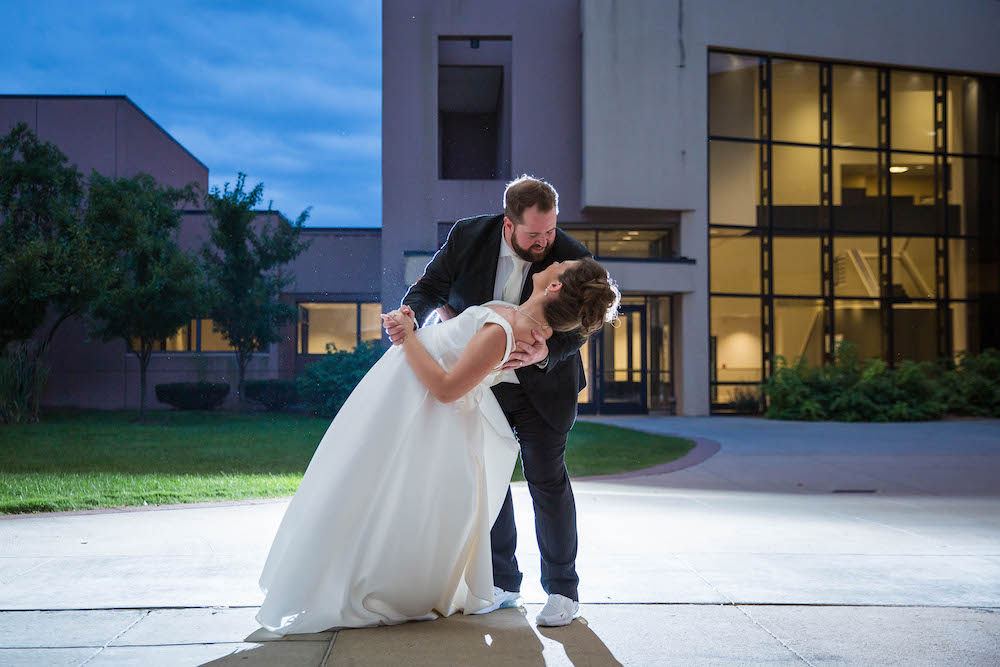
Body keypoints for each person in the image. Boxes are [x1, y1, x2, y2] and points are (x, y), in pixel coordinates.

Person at [254, 251, 619, 636]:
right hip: (408, 391)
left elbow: (446, 389)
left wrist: (409, 338)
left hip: (419, 398)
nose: (555, 261)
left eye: (561, 267)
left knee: (365, 485)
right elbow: (462, 341)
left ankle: (361, 578)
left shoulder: (506, 329)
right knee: (369, 487)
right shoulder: (525, 324)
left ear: (556, 285)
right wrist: (426, 317)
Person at [387, 175, 600, 627]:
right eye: (534, 235)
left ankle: (563, 590)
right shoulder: (468, 234)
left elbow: (585, 320)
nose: (546, 242)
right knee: (492, 482)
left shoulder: (570, 255)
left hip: (545, 387)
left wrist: (548, 350)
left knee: (547, 481)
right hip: (483, 384)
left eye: (550, 232)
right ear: (508, 224)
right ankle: (504, 581)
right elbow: (431, 288)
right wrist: (411, 314)